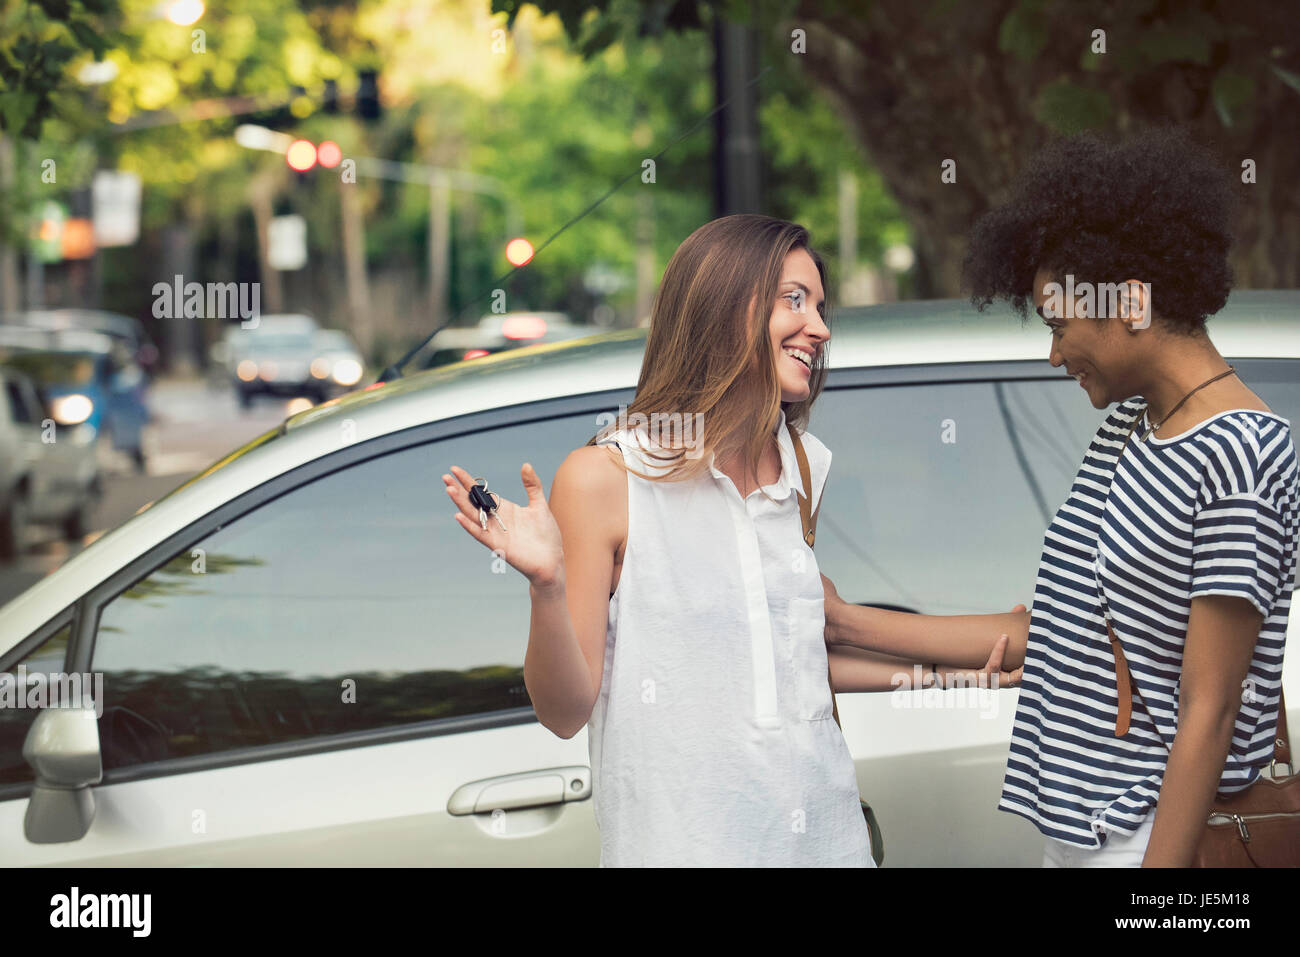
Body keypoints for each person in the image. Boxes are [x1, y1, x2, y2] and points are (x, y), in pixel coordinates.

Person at [443, 213, 1019, 866]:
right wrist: (547, 587)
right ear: (724, 309)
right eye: (793, 301)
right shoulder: (608, 477)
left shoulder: (802, 466)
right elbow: (565, 710)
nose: (821, 328)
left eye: (821, 306)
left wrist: (961, 673)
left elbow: (787, 665)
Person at [957, 126, 1300, 867]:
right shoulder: (1129, 426)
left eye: (1060, 324)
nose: (1053, 353)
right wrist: (844, 623)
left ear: (1134, 302)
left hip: (1149, 840)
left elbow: (1209, 710)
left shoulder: (1241, 452)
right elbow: (1059, 628)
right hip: (1081, 834)